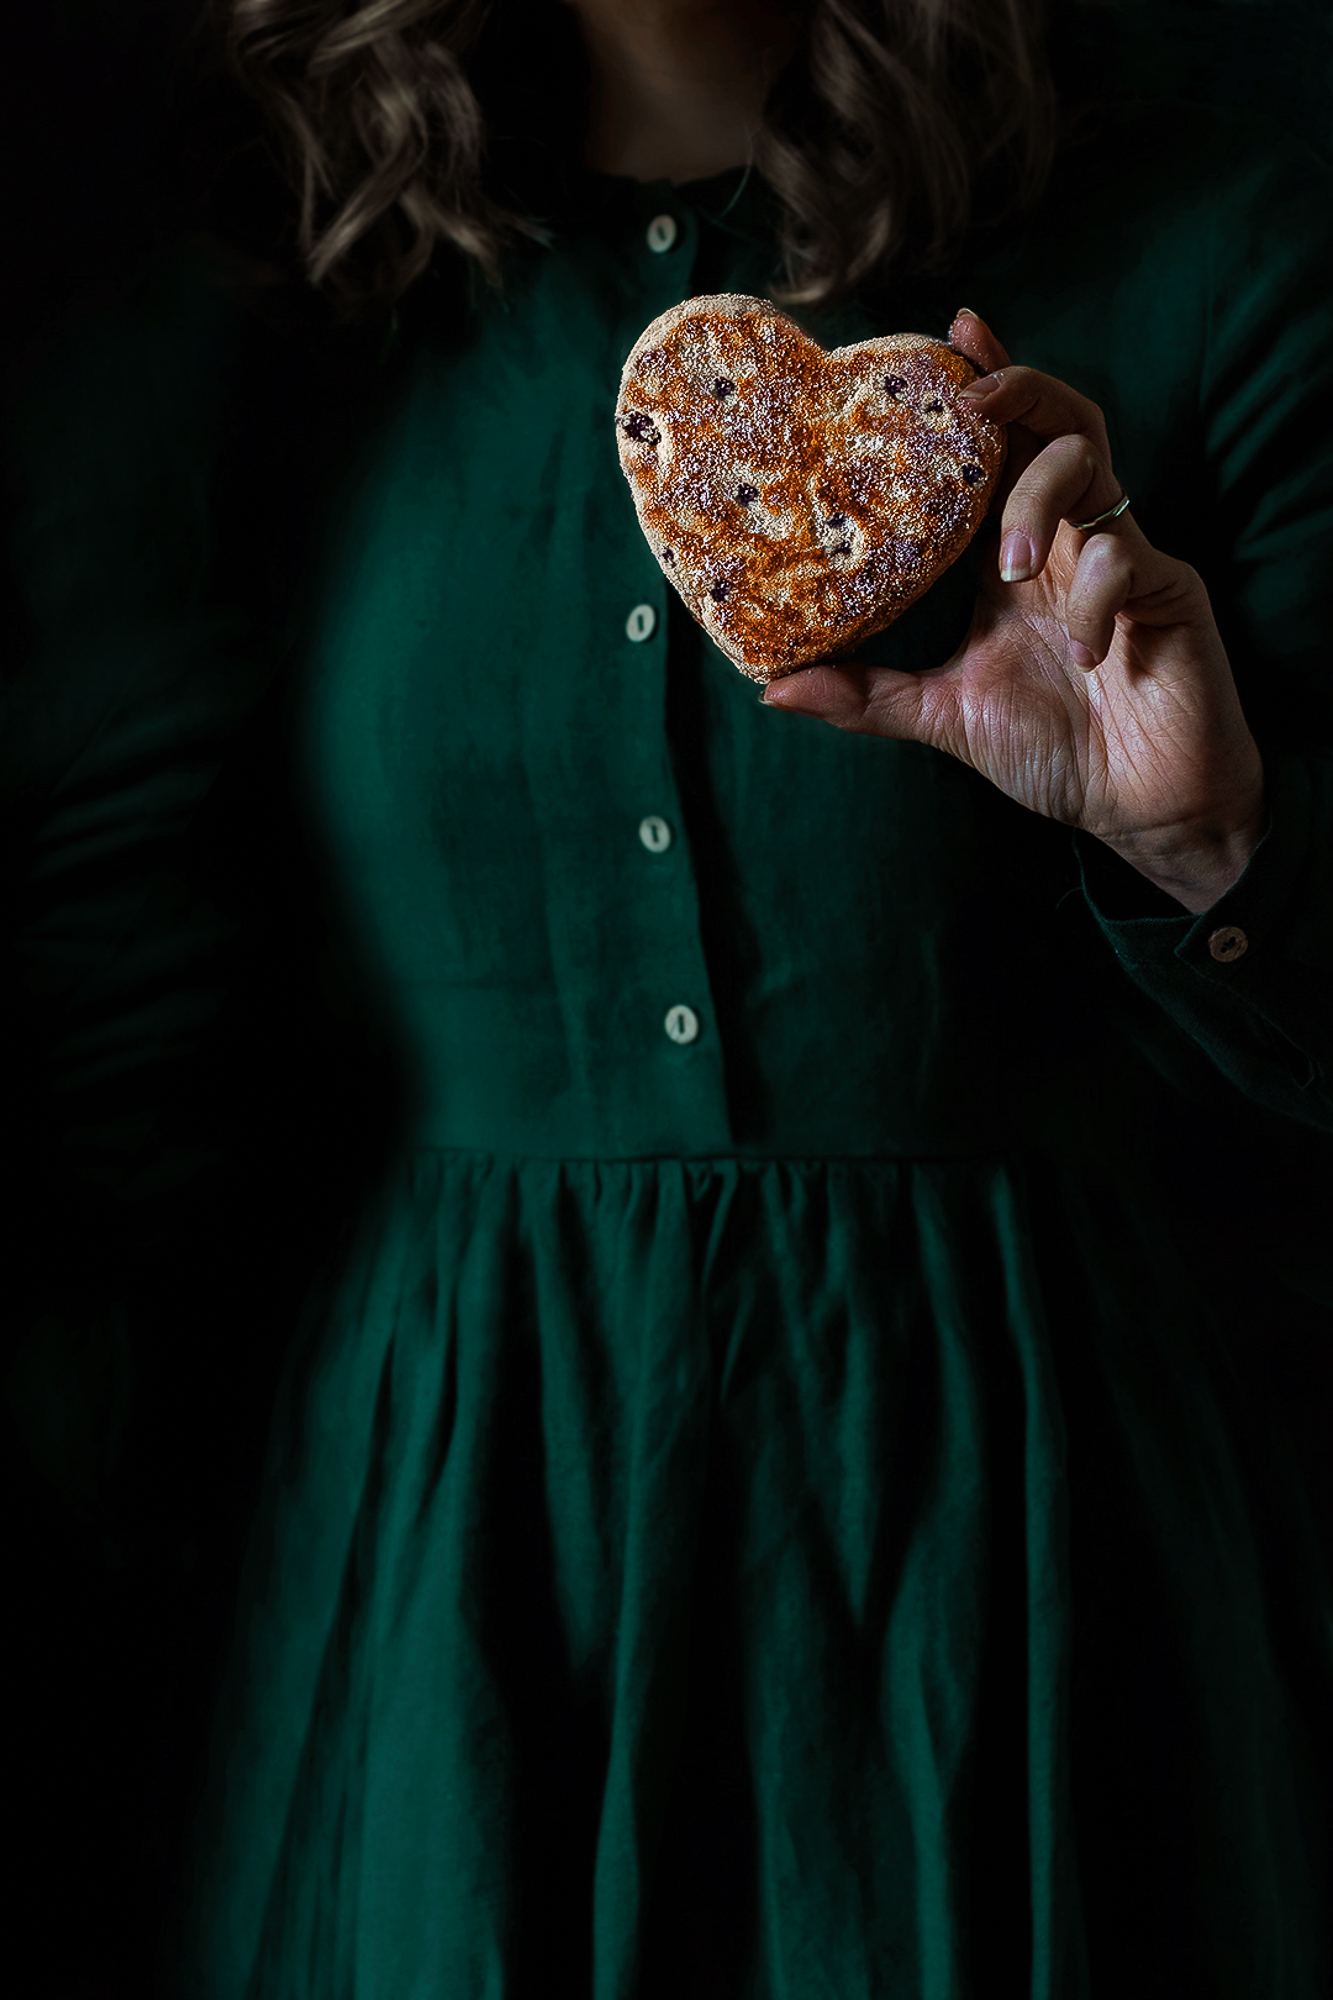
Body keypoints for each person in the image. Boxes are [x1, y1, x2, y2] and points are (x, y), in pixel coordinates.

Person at [6, 0, 1333, 1993]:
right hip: (460, 1567)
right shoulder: (263, 289)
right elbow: (122, 1039)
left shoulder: (1225, 236)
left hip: (1025, 1563)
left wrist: (1201, 841)